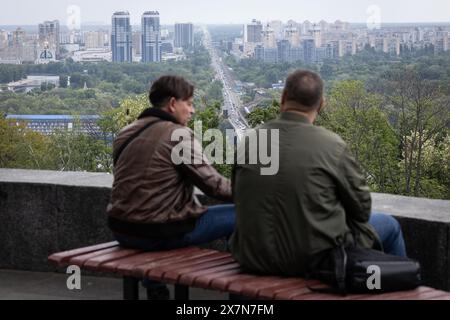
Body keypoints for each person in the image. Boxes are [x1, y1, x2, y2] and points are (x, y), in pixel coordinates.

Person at [230, 70, 406, 278]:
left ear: (283, 97)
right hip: (313, 261)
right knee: (389, 225)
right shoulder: (332, 145)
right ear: (321, 104)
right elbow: (361, 209)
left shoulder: (251, 141)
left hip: (253, 258)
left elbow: (237, 195)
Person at [107, 75, 235, 298]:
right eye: (189, 103)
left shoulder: (126, 132)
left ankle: (155, 288)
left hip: (121, 229)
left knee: (156, 219)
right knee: (242, 213)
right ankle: (242, 294)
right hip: (158, 233)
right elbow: (216, 187)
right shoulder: (178, 135)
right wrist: (256, 191)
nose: (192, 110)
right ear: (173, 103)